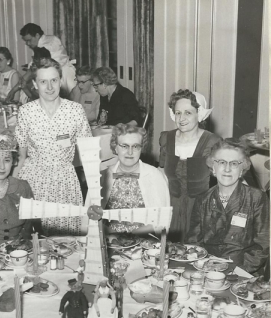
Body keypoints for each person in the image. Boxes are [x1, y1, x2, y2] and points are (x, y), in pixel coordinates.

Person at [13, 58, 92, 235]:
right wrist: (12, 187)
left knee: (66, 239)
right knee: (35, 239)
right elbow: (21, 156)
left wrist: (95, 191)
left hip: (65, 181)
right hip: (33, 181)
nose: (49, 87)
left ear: (60, 80)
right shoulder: (26, 112)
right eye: (43, 81)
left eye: (54, 80)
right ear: (34, 84)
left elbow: (89, 155)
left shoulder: (75, 110)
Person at [187, 140, 269, 274]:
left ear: (242, 169)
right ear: (213, 167)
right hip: (207, 268)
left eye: (234, 163)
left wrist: (237, 271)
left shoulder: (257, 198)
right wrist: (203, 265)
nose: (227, 169)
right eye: (221, 162)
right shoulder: (202, 199)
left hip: (243, 271)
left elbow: (263, 245)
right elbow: (194, 242)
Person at [159, 90, 221, 242]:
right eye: (178, 112)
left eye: (188, 113)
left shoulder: (213, 142)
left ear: (199, 114)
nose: (181, 118)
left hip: (201, 213)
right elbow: (160, 174)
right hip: (170, 210)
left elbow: (222, 181)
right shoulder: (166, 138)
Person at [101, 124, 170, 234]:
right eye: (124, 146)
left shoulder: (155, 176)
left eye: (136, 146)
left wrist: (130, 238)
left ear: (142, 148)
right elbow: (92, 219)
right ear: (115, 147)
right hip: (108, 241)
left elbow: (162, 220)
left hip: (144, 240)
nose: (130, 152)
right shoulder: (103, 176)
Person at [20, 23, 76, 95]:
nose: (27, 43)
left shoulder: (49, 43)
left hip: (65, 75)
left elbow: (38, 64)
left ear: (37, 35)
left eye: (29, 40)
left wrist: (21, 82)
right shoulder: (45, 42)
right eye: (26, 41)